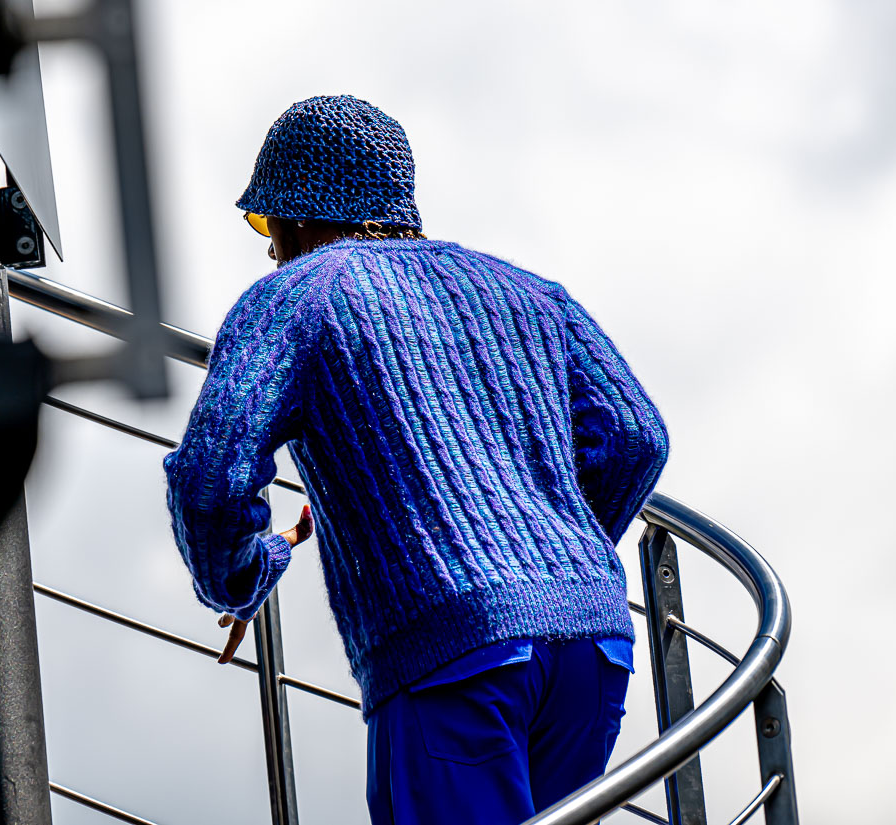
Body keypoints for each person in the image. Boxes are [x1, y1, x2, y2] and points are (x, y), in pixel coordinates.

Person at [163, 95, 668, 824]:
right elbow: (635, 434)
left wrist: (242, 576)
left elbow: (211, 475)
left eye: (268, 224)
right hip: (592, 636)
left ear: (302, 215)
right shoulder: (527, 291)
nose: (269, 248)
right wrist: (548, 547)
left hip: (454, 651)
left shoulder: (301, 293)